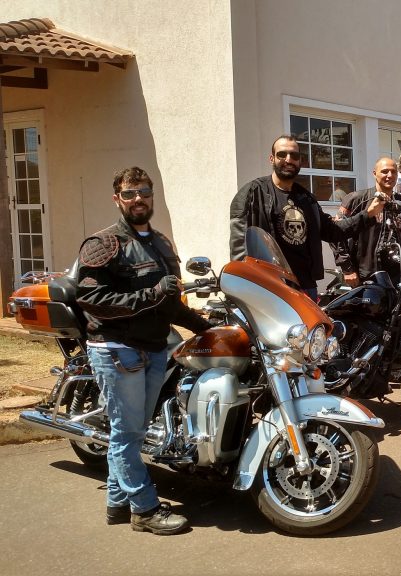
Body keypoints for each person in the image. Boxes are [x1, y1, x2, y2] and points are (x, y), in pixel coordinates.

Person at [75, 167, 213, 535]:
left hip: (154, 348)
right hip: (118, 348)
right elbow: (91, 298)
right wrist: (150, 295)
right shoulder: (103, 244)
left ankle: (117, 503)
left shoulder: (162, 243)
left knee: (133, 432)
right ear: (117, 198)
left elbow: (170, 303)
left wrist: (207, 326)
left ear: (153, 195)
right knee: (125, 432)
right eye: (130, 193)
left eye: (145, 192)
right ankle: (145, 509)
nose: (139, 199)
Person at [229, 135, 384, 300]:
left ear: (300, 161)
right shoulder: (253, 194)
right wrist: (245, 288)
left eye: (294, 156)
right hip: (270, 286)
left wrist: (368, 215)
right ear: (272, 158)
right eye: (282, 154)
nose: (289, 159)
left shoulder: (306, 199)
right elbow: (240, 248)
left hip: (305, 287)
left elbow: (333, 231)